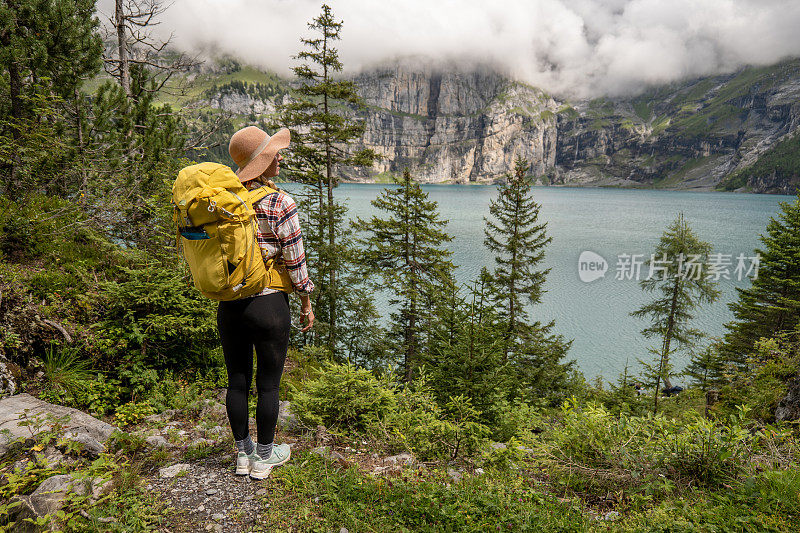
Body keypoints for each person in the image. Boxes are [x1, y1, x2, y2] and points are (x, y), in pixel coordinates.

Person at [219, 125, 315, 479]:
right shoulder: (279, 202)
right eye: (274, 153)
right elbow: (296, 261)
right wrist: (306, 302)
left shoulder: (222, 201)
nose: (280, 156)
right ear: (261, 162)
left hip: (230, 305)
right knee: (269, 384)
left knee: (237, 381)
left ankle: (242, 455)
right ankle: (264, 457)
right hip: (268, 304)